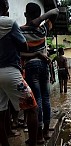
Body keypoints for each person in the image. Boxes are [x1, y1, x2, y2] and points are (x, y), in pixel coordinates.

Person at [0, 0, 45, 145]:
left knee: (1, 112)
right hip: (10, 71)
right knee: (32, 107)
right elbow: (24, 45)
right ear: (5, 7)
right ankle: (32, 141)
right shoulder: (8, 22)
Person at [20, 2, 59, 144]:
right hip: (44, 66)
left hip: (31, 67)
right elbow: (55, 12)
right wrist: (41, 19)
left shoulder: (20, 30)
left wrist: (34, 20)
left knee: (37, 101)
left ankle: (39, 136)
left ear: (25, 14)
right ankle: (46, 132)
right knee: (46, 98)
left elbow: (20, 54)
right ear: (39, 16)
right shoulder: (43, 30)